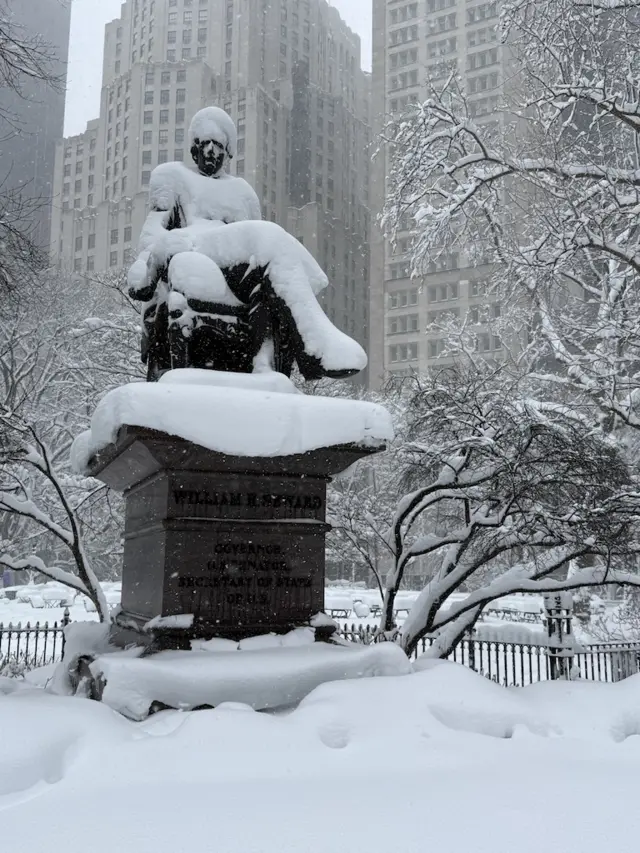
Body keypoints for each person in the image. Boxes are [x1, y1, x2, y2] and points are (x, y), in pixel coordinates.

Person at [128, 106, 366, 381]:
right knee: (268, 239)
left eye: (217, 146)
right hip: (193, 258)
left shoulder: (244, 194)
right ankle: (313, 347)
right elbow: (150, 237)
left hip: (234, 274)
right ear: (194, 148)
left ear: (228, 152)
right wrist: (168, 247)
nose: (210, 152)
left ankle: (264, 363)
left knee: (267, 256)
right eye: (204, 144)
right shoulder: (171, 177)